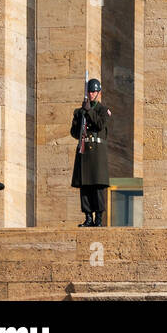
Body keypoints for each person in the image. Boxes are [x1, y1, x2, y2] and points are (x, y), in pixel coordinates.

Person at [70, 78, 111, 227]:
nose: (92, 94)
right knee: (85, 187)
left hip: (97, 154)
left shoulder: (103, 110)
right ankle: (88, 218)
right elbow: (74, 133)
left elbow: (100, 125)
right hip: (84, 151)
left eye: (94, 91)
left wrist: (89, 111)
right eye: (90, 91)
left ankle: (98, 219)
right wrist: (80, 117)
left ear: (98, 93)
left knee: (97, 187)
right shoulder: (80, 111)